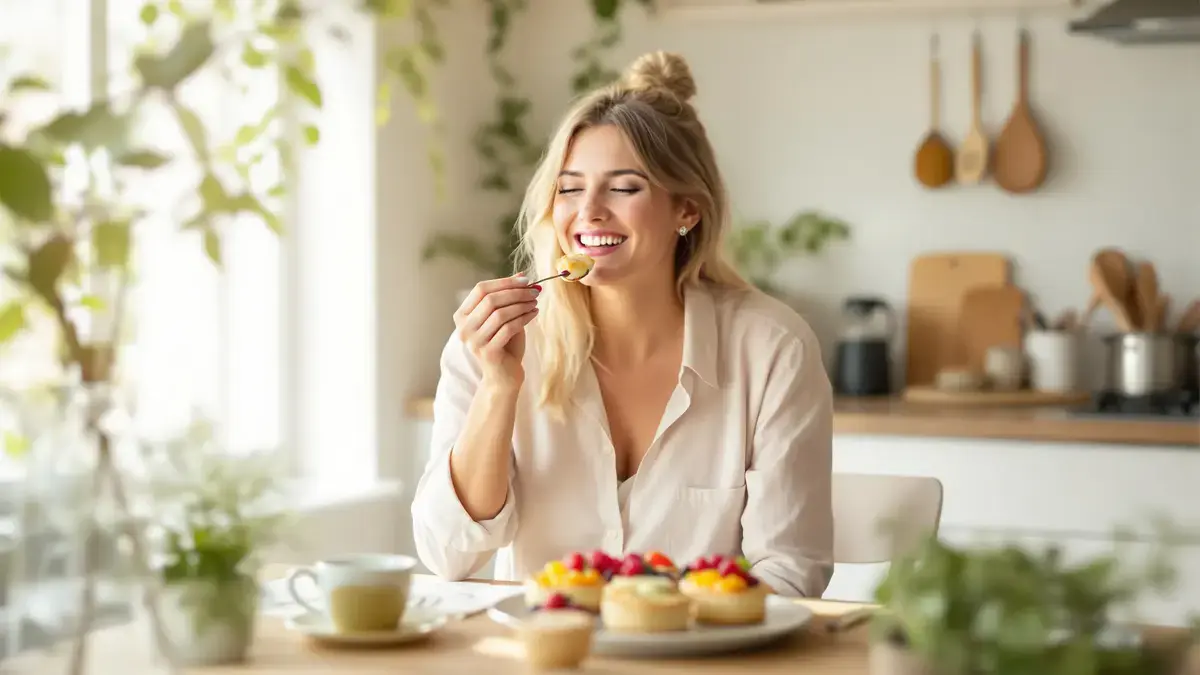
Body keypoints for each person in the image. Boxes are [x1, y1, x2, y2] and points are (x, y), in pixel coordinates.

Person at [411, 50, 834, 597]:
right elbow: (449, 555)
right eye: (568, 188)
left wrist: (661, 633)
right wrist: (498, 387)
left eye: (623, 187)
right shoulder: (497, 340)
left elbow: (789, 572)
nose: (588, 212)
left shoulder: (773, 349)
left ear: (687, 209)